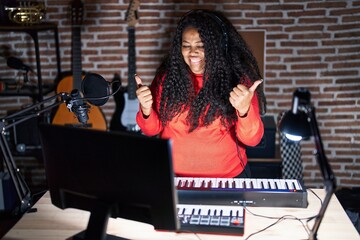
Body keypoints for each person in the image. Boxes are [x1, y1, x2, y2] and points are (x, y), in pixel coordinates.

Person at [135, 9, 265, 178]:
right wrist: (146, 109)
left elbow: (252, 140)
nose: (192, 52)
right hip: (175, 180)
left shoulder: (238, 81)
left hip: (228, 180)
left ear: (217, 47)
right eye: (186, 46)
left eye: (201, 46)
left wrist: (244, 111)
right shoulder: (167, 79)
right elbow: (151, 130)